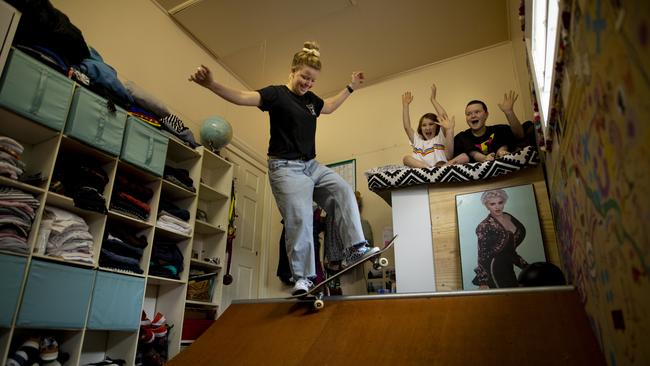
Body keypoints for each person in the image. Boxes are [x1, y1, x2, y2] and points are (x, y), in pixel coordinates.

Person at [189, 41, 378, 295]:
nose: (308, 84)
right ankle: (304, 278)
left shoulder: (311, 100)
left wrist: (350, 88)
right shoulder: (276, 94)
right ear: (292, 71)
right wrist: (211, 84)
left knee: (342, 189)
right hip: (285, 168)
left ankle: (355, 248)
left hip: (311, 165)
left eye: (312, 80)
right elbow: (244, 97)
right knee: (299, 216)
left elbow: (330, 106)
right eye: (304, 77)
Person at [472, 189, 529, 289]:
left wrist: (527, 267)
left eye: (500, 202)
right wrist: (483, 282)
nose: (497, 207)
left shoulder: (509, 217)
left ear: (504, 202)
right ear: (486, 206)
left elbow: (510, 251)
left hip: (508, 266)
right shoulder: (484, 226)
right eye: (492, 204)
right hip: (493, 268)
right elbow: (482, 255)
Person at [400, 85, 464, 168]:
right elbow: (407, 127)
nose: (428, 128)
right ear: (420, 128)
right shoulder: (417, 141)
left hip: (440, 166)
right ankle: (428, 168)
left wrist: (433, 100)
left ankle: (437, 168)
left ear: (437, 126)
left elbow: (443, 117)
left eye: (431, 124)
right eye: (424, 125)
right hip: (424, 168)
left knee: (463, 156)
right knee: (406, 158)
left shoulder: (439, 138)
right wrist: (405, 106)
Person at [453, 91, 525, 162]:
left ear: (486, 115)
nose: (473, 116)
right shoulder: (462, 137)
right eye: (468, 114)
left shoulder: (499, 130)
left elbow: (520, 135)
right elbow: (450, 157)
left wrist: (509, 112)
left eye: (477, 112)